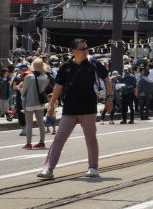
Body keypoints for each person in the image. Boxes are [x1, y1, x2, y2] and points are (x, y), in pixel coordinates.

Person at [37, 38, 111, 180]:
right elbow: (58, 86)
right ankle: (48, 169)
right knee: (59, 138)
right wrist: (52, 104)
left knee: (91, 139)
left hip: (88, 108)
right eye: (83, 48)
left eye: (87, 48)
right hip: (69, 109)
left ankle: (93, 168)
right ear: (74, 51)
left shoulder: (94, 64)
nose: (86, 51)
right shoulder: (66, 67)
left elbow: (107, 79)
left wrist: (109, 97)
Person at [21, 59, 49, 149]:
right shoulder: (44, 78)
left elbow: (24, 91)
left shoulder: (29, 77)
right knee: (41, 124)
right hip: (40, 103)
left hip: (29, 103)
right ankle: (42, 142)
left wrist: (23, 103)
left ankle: (28, 144)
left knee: (29, 124)